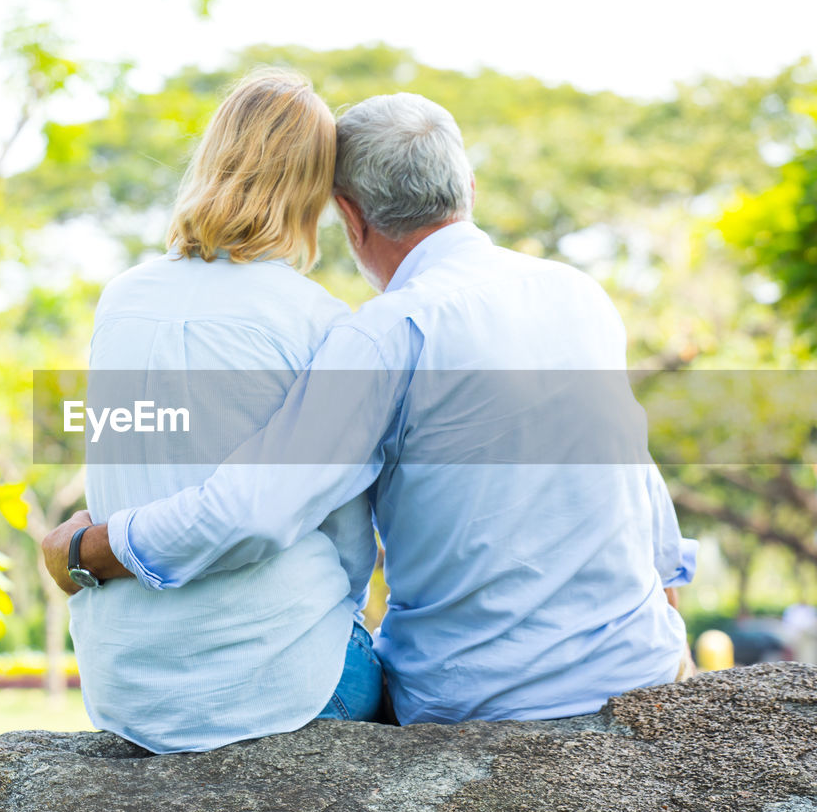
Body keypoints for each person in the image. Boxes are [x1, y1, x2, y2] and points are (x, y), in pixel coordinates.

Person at [45, 92, 697, 726]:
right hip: (636, 666)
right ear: (467, 186)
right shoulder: (578, 293)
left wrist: (88, 547)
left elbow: (253, 508)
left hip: (470, 697)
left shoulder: (380, 335)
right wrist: (671, 627)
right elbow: (631, 458)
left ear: (351, 218)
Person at [59, 70, 382, 754]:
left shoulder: (122, 298)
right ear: (317, 191)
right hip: (277, 681)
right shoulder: (319, 320)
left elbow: (117, 465)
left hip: (125, 687)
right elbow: (350, 541)